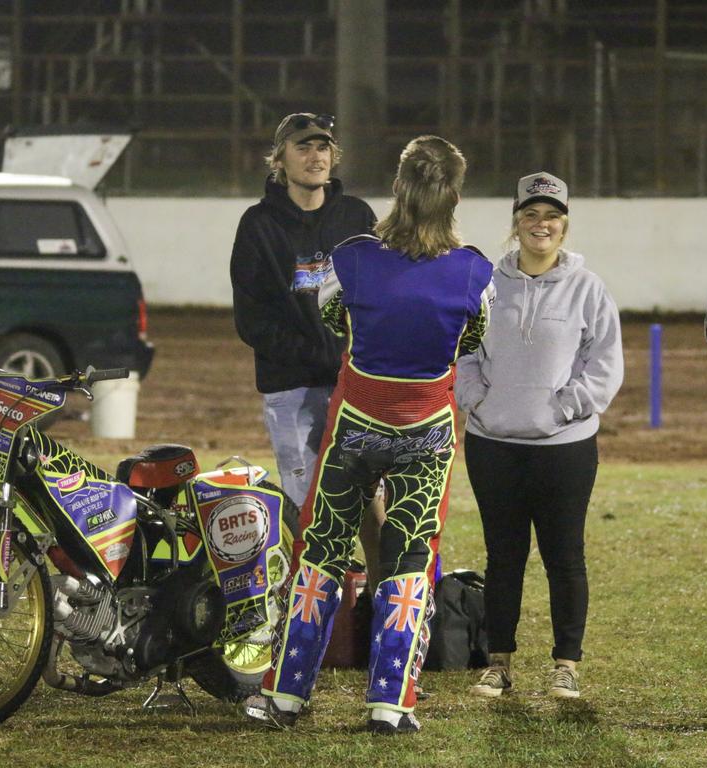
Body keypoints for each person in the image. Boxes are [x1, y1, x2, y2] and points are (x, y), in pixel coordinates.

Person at [247, 135, 495, 735]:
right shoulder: (473, 272)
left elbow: (334, 318)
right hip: (427, 429)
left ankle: (285, 695)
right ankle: (391, 702)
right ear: (454, 196)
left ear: (398, 188)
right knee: (410, 558)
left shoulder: (353, 256)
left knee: (323, 548)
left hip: (357, 421)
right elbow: (471, 339)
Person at [454, 171, 623, 700]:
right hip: (493, 444)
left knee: (564, 557)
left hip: (564, 449)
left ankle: (566, 664)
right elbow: (462, 351)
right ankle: (498, 663)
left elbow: (605, 364)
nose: (540, 224)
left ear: (564, 225)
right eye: (531, 215)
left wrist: (565, 409)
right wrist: (479, 400)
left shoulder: (588, 288)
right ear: (516, 222)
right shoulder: (485, 284)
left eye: (551, 216)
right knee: (503, 556)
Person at [229, 112, 385, 585]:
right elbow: (252, 318)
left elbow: (380, 295)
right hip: (291, 390)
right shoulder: (258, 224)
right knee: (307, 504)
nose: (315, 156)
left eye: (323, 147)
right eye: (303, 147)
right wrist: (317, 355)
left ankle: (377, 612)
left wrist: (355, 361)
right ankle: (315, 611)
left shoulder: (356, 217)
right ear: (279, 159)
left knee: (368, 500)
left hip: (354, 386)